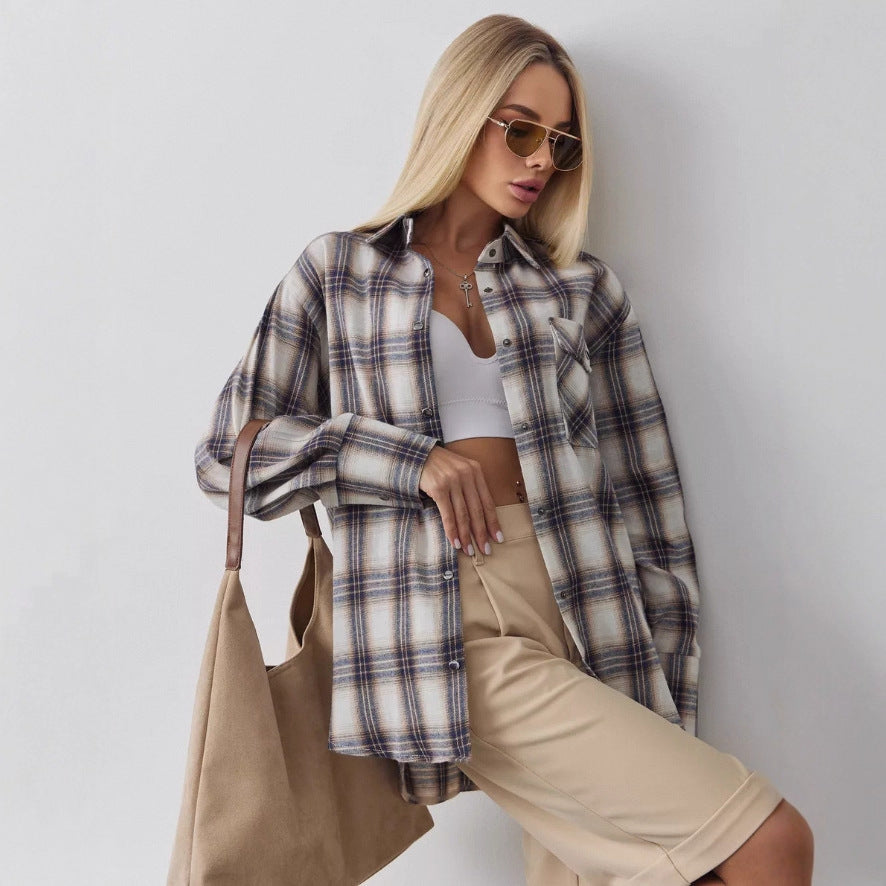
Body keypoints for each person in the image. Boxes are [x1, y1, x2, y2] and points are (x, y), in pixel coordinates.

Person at [193, 13, 814, 886]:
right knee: (771, 841)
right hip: (446, 618)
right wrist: (406, 460)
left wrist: (668, 693)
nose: (540, 160)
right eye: (520, 130)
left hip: (586, 607)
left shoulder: (579, 288)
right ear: (460, 114)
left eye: (560, 142)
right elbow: (228, 457)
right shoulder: (338, 273)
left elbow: (649, 503)